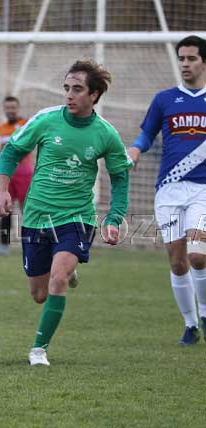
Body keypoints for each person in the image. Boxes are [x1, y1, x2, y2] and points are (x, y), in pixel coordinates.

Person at [0, 60, 132, 366]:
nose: (69, 95)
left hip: (77, 217)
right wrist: (2, 189)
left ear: (94, 95)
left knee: (58, 279)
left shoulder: (106, 134)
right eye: (67, 88)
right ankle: (67, 268)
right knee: (39, 294)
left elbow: (120, 178)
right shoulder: (46, 120)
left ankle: (38, 350)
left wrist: (113, 218)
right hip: (37, 216)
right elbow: (12, 150)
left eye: (77, 89)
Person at [128, 35, 206, 346]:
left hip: (203, 190)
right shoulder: (164, 99)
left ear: (204, 62)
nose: (185, 64)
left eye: (191, 58)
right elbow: (147, 134)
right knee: (177, 261)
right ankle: (191, 325)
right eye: (181, 58)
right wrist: (135, 150)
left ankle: (205, 314)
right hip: (169, 190)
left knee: (198, 255)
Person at [0, 96, 30, 256]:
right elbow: (3, 152)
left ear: (17, 108)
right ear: (4, 109)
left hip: (25, 174)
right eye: (8, 107)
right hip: (8, 177)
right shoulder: (1, 128)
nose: (10, 110)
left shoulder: (26, 124)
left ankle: (33, 244)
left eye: (13, 107)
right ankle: (4, 247)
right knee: (4, 210)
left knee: (28, 211)